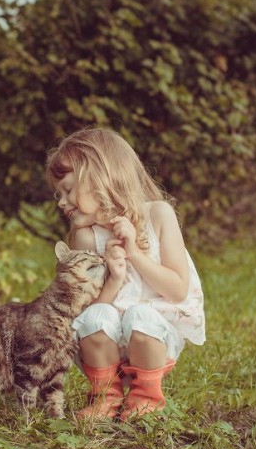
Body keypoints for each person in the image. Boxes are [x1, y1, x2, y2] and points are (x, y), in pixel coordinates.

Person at [45, 128, 205, 421]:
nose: (61, 202)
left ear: (97, 179)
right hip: (105, 347)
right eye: (59, 194)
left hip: (155, 336)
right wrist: (115, 279)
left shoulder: (158, 215)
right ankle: (105, 396)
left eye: (68, 190)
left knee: (139, 316)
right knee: (96, 316)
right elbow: (84, 312)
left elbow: (178, 290)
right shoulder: (85, 239)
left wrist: (134, 254)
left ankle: (146, 396)